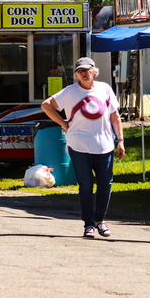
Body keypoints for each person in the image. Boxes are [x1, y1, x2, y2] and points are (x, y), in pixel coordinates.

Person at [41, 57, 125, 239]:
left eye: (87, 70)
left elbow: (115, 116)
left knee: (105, 184)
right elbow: (46, 105)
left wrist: (120, 140)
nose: (85, 74)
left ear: (94, 71)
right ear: (77, 74)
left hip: (104, 145)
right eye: (81, 71)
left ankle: (100, 220)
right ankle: (88, 224)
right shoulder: (70, 92)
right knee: (86, 186)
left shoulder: (105, 89)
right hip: (79, 145)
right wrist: (62, 123)